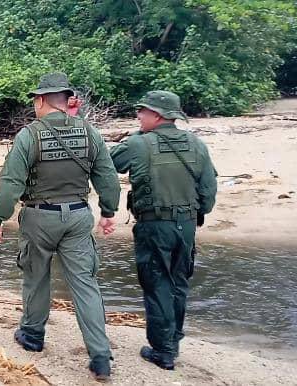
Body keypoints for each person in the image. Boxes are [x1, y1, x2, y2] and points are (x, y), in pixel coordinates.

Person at [0, 73, 120, 381]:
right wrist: (108, 211)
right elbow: (108, 178)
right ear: (65, 101)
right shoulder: (89, 132)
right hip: (77, 217)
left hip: (39, 217)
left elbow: (10, 183)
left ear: (42, 100)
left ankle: (33, 336)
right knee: (85, 284)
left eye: (35, 99)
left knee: (36, 278)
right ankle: (100, 356)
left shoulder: (29, 135)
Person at [110, 90, 217, 370]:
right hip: (187, 225)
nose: (138, 116)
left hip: (154, 225)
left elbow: (111, 162)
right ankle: (174, 340)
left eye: (142, 112)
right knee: (179, 282)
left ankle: (163, 350)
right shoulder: (197, 144)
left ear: (157, 116)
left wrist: (137, 135)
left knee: (157, 283)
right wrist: (197, 215)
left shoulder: (138, 143)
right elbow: (208, 191)